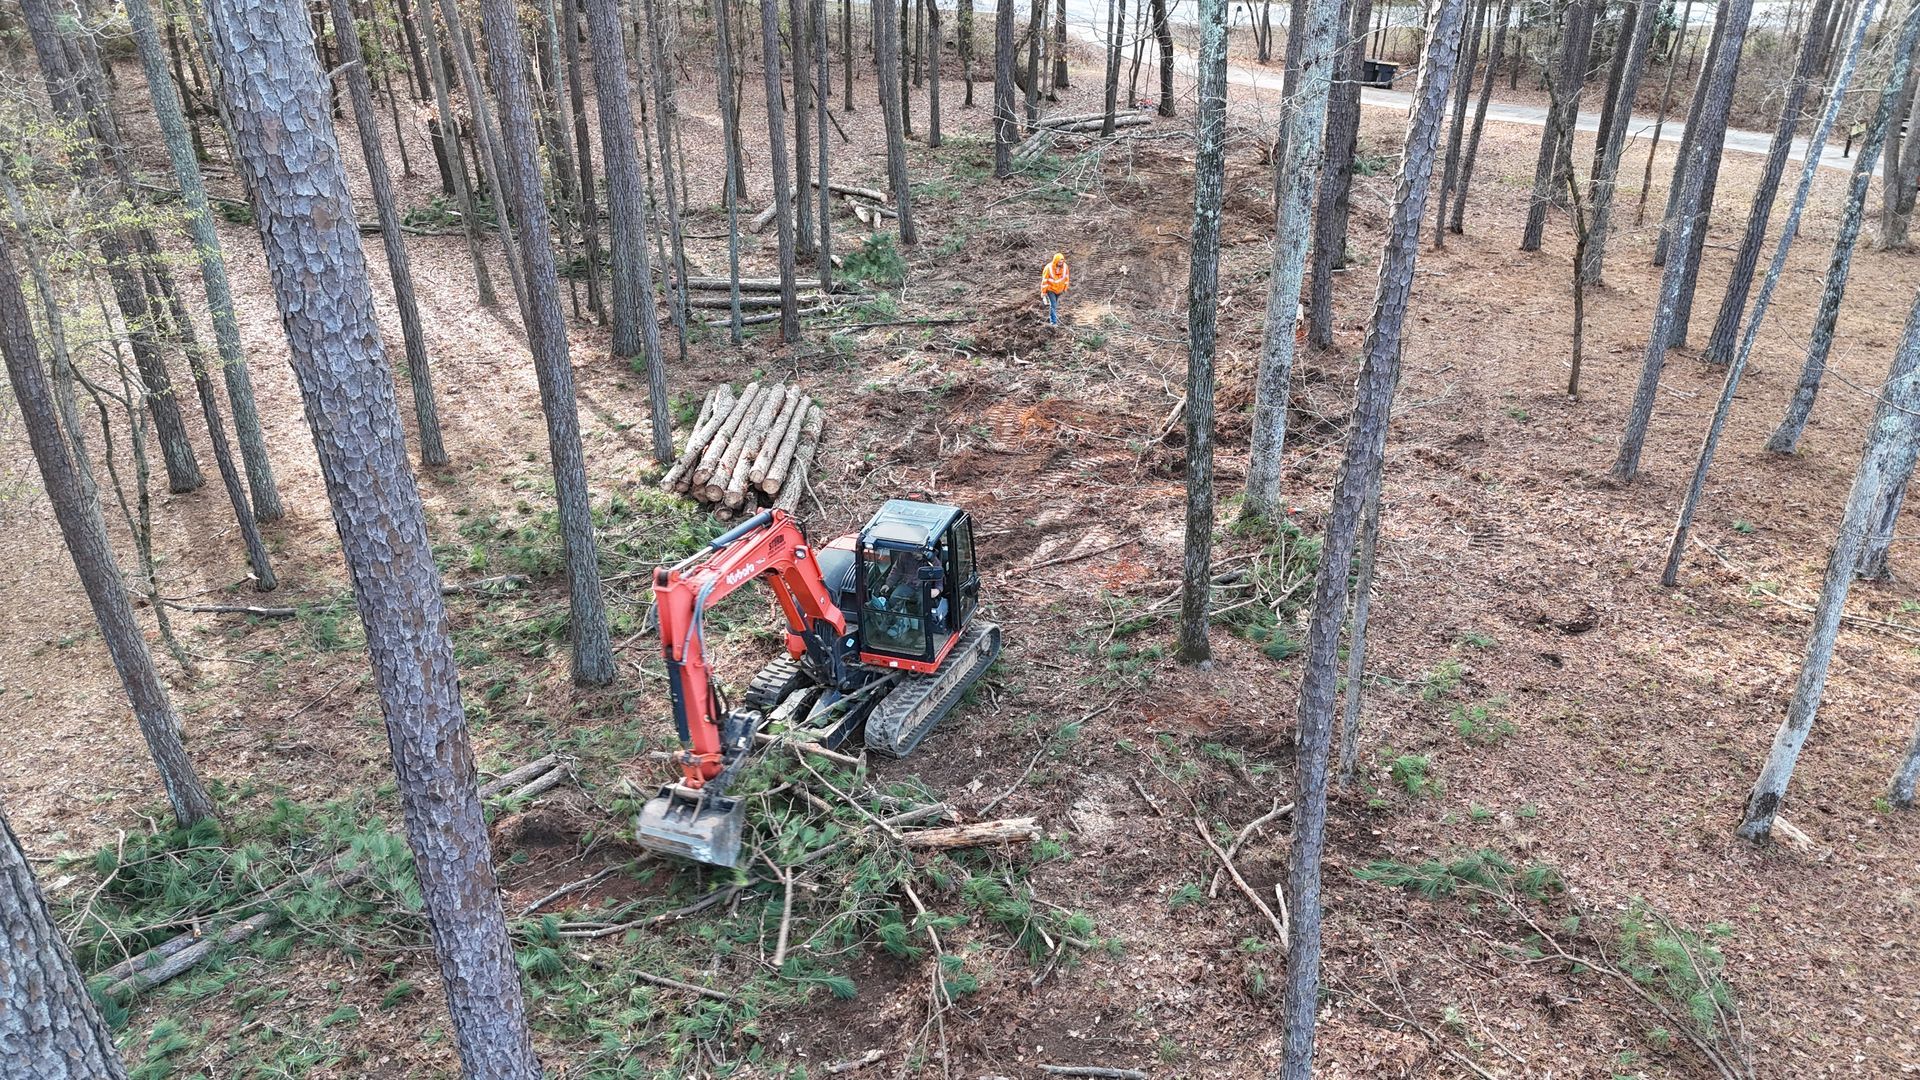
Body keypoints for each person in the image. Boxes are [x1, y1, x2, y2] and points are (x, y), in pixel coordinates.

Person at [1040, 252, 1070, 325]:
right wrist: (1043, 292)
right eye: (1059, 262)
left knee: (1054, 304)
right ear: (1056, 261)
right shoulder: (1048, 268)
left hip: (1059, 290)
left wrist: (1065, 288)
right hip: (1051, 289)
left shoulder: (1065, 267)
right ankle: (1053, 322)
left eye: (1062, 262)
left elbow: (1066, 277)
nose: (1061, 263)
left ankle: (1052, 317)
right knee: (1053, 305)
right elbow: (1045, 281)